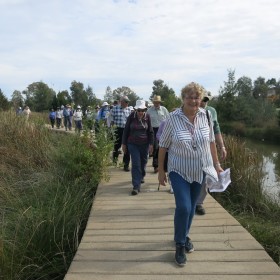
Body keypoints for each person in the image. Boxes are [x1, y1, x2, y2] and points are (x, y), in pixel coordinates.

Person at [158, 82, 223, 266]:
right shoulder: (172, 118)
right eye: (190, 97)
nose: (194, 100)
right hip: (178, 169)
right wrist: (161, 171)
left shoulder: (206, 116)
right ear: (183, 98)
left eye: (197, 97)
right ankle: (179, 245)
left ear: (200, 99)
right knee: (184, 207)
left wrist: (216, 164)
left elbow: (210, 142)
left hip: (200, 169)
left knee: (192, 207)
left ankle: (184, 236)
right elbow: (163, 145)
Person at [195, 92, 227, 215]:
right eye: (202, 99)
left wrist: (222, 146)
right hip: (192, 149)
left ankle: (199, 203)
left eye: (206, 100)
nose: (204, 102)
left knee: (206, 175)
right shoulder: (191, 110)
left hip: (208, 148)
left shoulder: (212, 111)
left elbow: (216, 129)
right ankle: (188, 200)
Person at [122, 100, 154, 195]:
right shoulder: (131, 116)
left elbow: (151, 131)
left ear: (145, 109)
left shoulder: (147, 117)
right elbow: (126, 130)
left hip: (144, 144)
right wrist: (124, 144)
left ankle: (141, 176)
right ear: (136, 109)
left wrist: (151, 144)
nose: (141, 112)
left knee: (143, 161)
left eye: (143, 110)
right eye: (139, 110)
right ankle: (136, 186)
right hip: (133, 143)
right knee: (135, 164)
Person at [147, 95, 169, 173]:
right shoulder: (149, 111)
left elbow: (168, 119)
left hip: (163, 130)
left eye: (158, 102)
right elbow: (147, 122)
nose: (156, 103)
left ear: (160, 102)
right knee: (156, 147)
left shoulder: (164, 110)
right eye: (155, 102)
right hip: (153, 130)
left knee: (163, 147)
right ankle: (156, 165)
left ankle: (163, 165)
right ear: (153, 103)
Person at [111, 96, 133, 171]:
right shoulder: (115, 109)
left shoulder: (129, 109)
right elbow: (111, 119)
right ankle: (114, 160)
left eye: (128, 102)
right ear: (121, 101)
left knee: (127, 147)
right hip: (118, 129)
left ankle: (125, 165)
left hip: (127, 130)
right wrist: (111, 129)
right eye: (126, 101)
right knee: (117, 146)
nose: (127, 103)